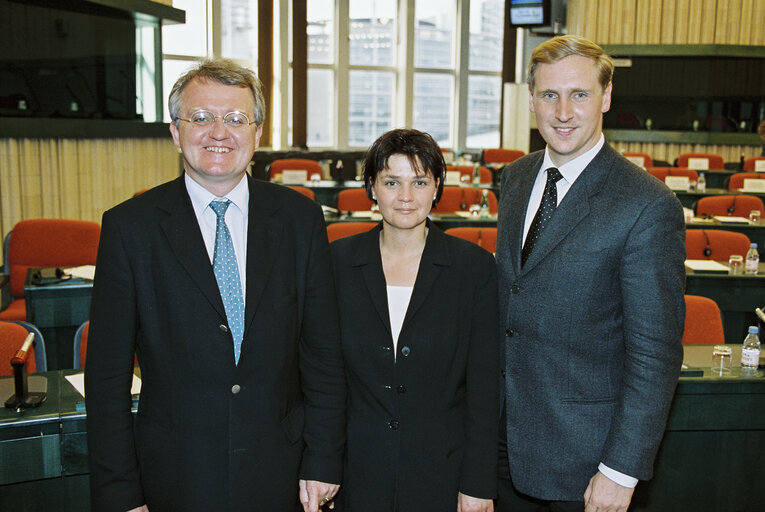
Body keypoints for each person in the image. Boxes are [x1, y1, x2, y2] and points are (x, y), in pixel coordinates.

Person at [85, 59, 345, 512]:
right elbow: (107, 377)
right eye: (201, 117)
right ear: (175, 131)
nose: (218, 132)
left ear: (258, 132)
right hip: (174, 474)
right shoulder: (130, 228)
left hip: (282, 472)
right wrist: (120, 493)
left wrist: (323, 459)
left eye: (236, 119)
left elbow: (322, 355)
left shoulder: (300, 219)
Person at [495, 35, 686, 512]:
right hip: (503, 447)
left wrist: (621, 470)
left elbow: (655, 353)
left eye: (579, 94)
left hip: (586, 464)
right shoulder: (516, 179)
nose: (562, 112)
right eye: (549, 95)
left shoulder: (648, 204)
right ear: (531, 100)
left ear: (606, 96)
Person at [330, 129, 499, 512]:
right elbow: (322, 378)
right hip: (355, 473)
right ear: (371, 188)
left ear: (437, 187)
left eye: (419, 182)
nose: (405, 197)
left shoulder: (473, 269)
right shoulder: (335, 262)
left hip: (443, 474)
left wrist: (478, 482)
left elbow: (485, 389)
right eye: (391, 182)